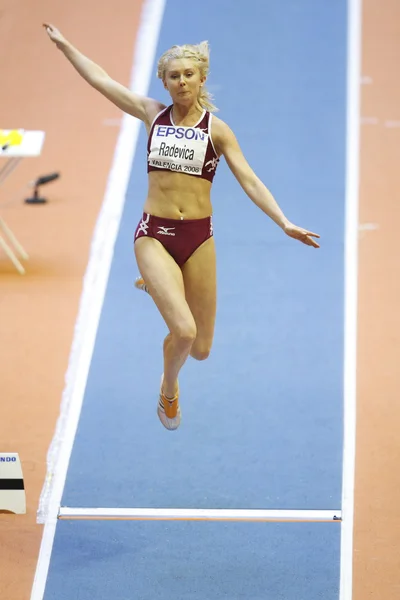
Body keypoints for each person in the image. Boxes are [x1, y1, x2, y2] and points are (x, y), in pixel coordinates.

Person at [43, 24, 320, 431]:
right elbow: (101, 80)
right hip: (154, 235)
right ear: (165, 81)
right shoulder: (151, 115)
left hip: (197, 238)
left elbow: (250, 180)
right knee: (185, 332)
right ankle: (168, 390)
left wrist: (283, 222)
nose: (181, 81)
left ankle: (158, 283)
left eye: (188, 74)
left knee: (202, 349)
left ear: (201, 78)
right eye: (174, 76)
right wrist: (67, 45)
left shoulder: (217, 131)